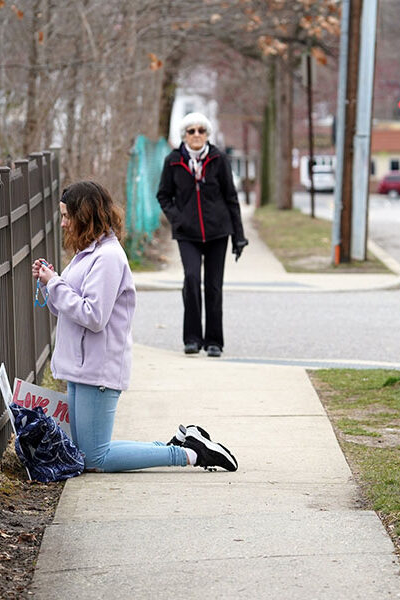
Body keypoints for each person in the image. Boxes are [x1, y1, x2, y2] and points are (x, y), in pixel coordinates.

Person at [31, 180, 237, 472]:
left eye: (67, 216)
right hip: (80, 366)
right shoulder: (86, 253)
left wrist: (55, 283)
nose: (63, 224)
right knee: (86, 453)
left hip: (97, 369)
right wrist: (48, 284)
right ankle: (182, 444)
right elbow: (66, 308)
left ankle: (191, 454)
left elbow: (93, 315)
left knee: (94, 458)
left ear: (85, 217)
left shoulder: (108, 258)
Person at [157, 112, 248, 358]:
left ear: (207, 134)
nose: (197, 135)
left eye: (201, 130)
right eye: (191, 131)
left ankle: (214, 341)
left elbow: (231, 197)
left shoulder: (219, 159)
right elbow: (163, 195)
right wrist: (178, 218)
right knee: (192, 279)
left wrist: (239, 235)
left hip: (218, 232)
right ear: (184, 135)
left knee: (214, 286)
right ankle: (192, 338)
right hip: (188, 234)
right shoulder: (173, 161)